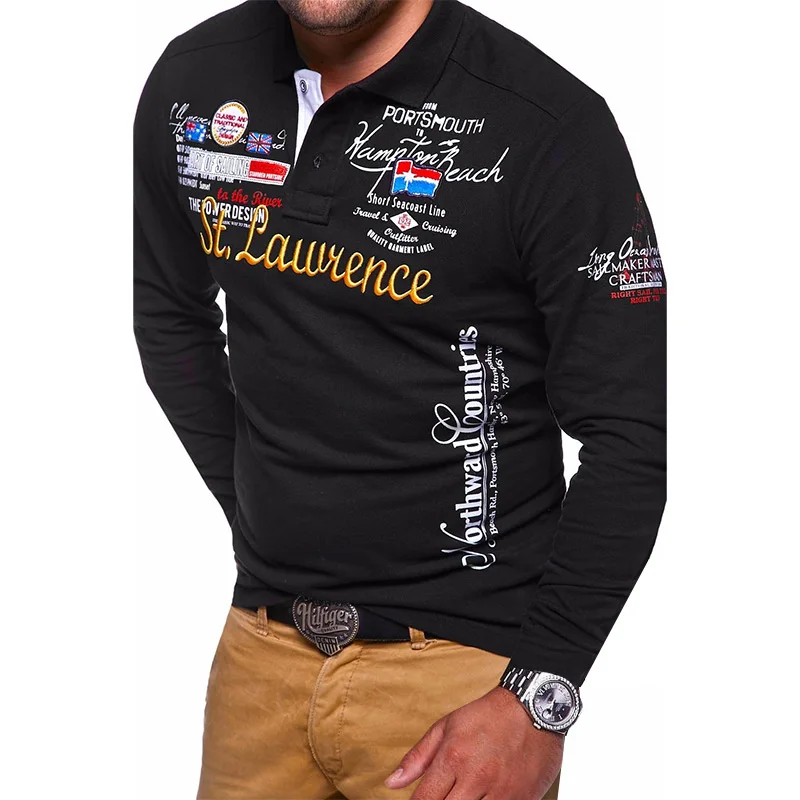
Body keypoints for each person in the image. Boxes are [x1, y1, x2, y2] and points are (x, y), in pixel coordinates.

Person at [132, 0, 667, 797]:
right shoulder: (195, 83)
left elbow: (630, 436)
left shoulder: (549, 124)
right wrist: (257, 502)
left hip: (465, 677)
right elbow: (169, 317)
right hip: (259, 651)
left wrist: (538, 694)